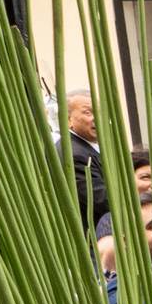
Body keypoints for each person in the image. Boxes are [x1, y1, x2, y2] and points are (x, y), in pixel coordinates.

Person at [64, 89, 110, 227]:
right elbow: (103, 199)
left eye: (99, 112)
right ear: (69, 119)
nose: (96, 118)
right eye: (88, 113)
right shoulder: (74, 155)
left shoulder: (96, 146)